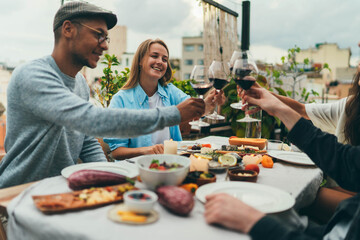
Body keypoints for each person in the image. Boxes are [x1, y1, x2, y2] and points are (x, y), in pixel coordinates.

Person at [0, 1, 205, 189]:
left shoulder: (80, 82)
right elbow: (91, 120)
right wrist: (174, 114)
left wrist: (110, 178)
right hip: (18, 194)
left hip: (62, 189)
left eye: (105, 38)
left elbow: (87, 141)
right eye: (98, 34)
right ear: (68, 29)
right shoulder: (32, 75)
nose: (105, 45)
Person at [204, 83, 360, 239]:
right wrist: (272, 101)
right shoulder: (353, 105)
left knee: (298, 198)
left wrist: (254, 221)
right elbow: (345, 160)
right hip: (339, 221)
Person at [103, 39, 225, 160]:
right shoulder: (121, 100)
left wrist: (209, 103)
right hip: (137, 169)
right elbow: (116, 152)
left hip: (172, 164)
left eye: (164, 59)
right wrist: (146, 151)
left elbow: (195, 109)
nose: (160, 62)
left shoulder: (170, 91)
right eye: (154, 56)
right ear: (140, 60)